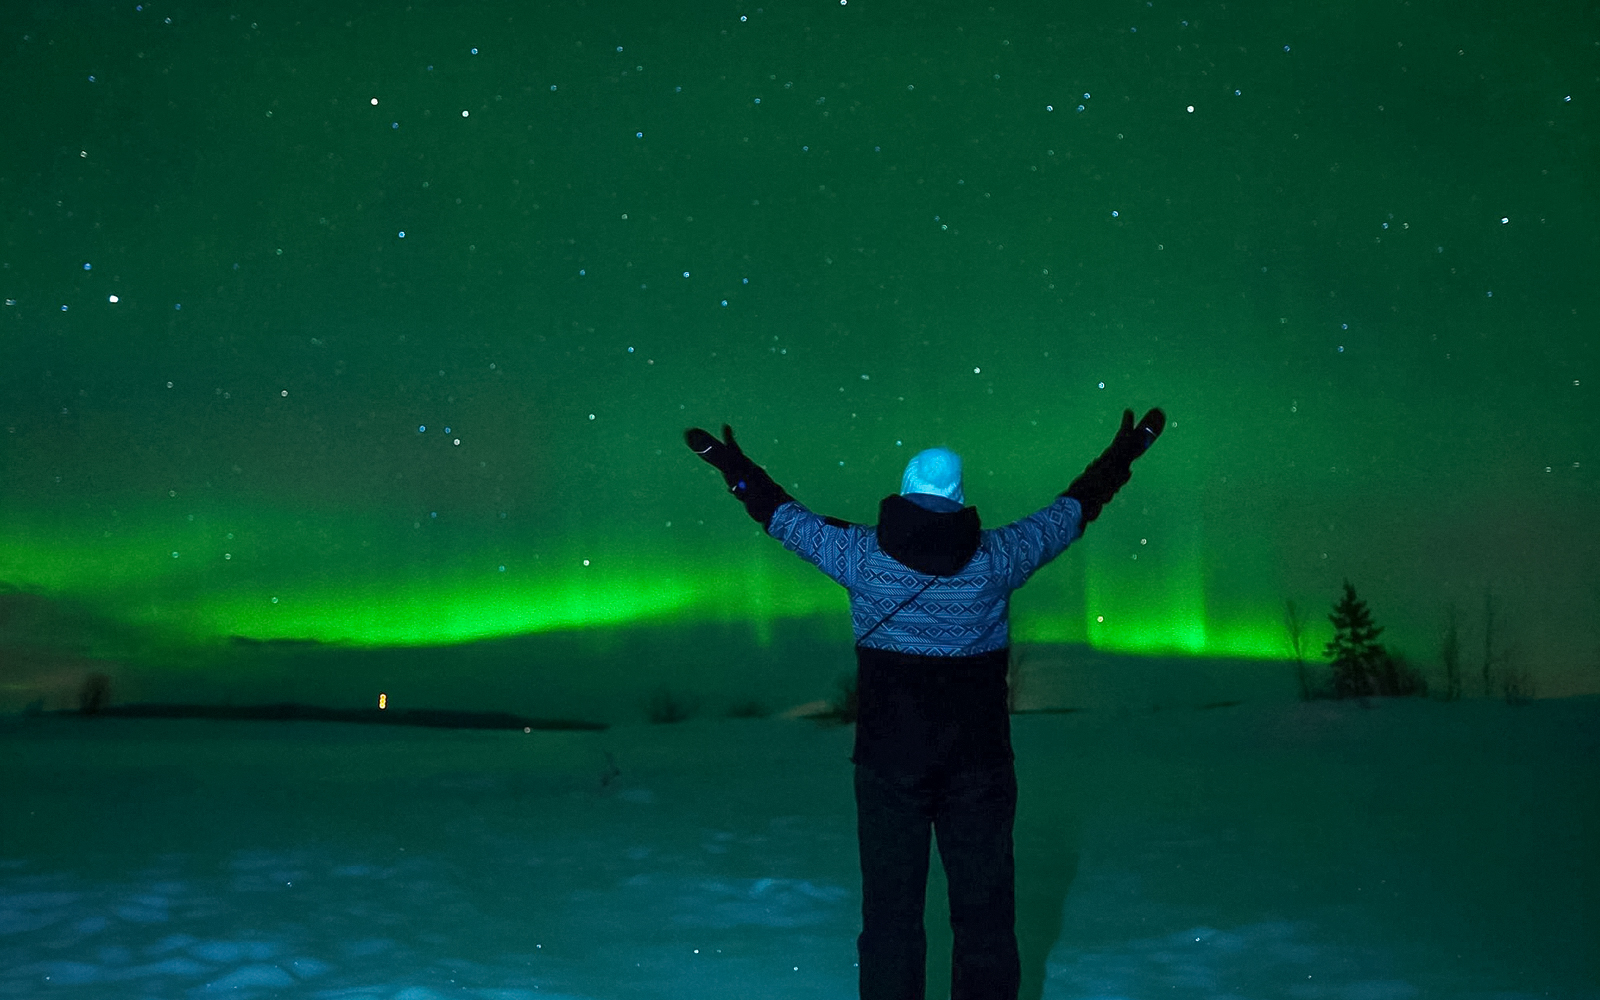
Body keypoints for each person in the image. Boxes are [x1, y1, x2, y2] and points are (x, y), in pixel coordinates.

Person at [685, 408, 1166, 1000]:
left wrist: (733, 465)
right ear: (960, 497)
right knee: (985, 922)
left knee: (891, 923)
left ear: (905, 490)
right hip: (980, 770)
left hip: (889, 769)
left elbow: (780, 515)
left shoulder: (859, 556)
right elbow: (1075, 507)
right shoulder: (998, 558)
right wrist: (1124, 454)